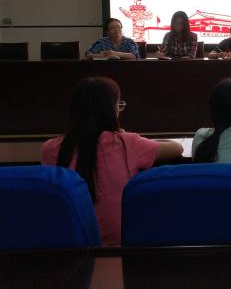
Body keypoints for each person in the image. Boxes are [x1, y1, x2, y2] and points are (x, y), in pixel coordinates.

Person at [41, 77, 183, 246]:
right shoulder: (126, 143)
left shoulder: (49, 148)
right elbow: (177, 148)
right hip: (120, 248)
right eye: (118, 105)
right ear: (111, 110)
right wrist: (124, 135)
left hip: (70, 248)